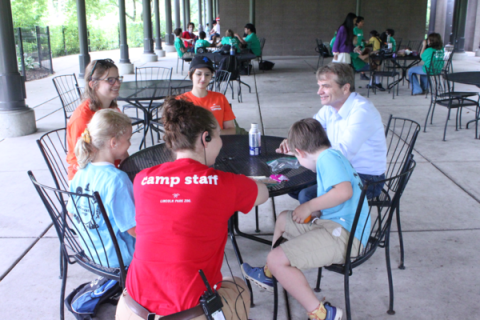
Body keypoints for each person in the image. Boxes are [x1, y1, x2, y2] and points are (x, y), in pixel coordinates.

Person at [116, 98, 269, 320]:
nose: (220, 143)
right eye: (217, 136)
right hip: (190, 314)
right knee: (238, 287)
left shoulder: (142, 178)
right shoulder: (223, 184)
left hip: (131, 309)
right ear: (205, 137)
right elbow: (262, 193)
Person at [242, 118, 370, 320]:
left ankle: (322, 313)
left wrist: (310, 206)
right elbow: (342, 199)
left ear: (300, 153)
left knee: (276, 259)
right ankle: (269, 275)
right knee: (284, 218)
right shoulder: (332, 155)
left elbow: (344, 192)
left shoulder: (328, 159)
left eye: (296, 156)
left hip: (346, 237)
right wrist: (317, 212)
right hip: (336, 226)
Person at [277, 63, 387, 202]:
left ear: (345, 88)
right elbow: (310, 131)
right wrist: (293, 142)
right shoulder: (330, 107)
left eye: (326, 86)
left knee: (307, 195)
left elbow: (342, 154)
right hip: (341, 170)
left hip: (366, 179)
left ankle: (330, 223)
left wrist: (304, 153)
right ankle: (324, 218)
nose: (319, 91)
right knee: (292, 185)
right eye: (319, 85)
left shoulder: (362, 111)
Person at [68, 109, 136, 268]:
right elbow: (133, 229)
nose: (130, 144)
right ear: (113, 143)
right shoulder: (117, 179)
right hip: (120, 256)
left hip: (92, 251)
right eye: (128, 139)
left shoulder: (79, 174)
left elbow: (72, 212)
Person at [66, 59, 126, 181]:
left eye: (118, 78)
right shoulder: (82, 118)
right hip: (88, 179)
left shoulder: (112, 109)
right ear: (93, 84)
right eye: (110, 80)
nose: (117, 84)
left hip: (111, 170)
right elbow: (83, 161)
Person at [178, 56, 237, 135]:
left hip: (217, 144)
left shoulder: (220, 98)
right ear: (190, 74)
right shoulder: (180, 101)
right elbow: (177, 135)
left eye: (207, 74)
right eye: (199, 74)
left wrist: (217, 134)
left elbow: (231, 130)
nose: (203, 79)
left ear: (211, 75)